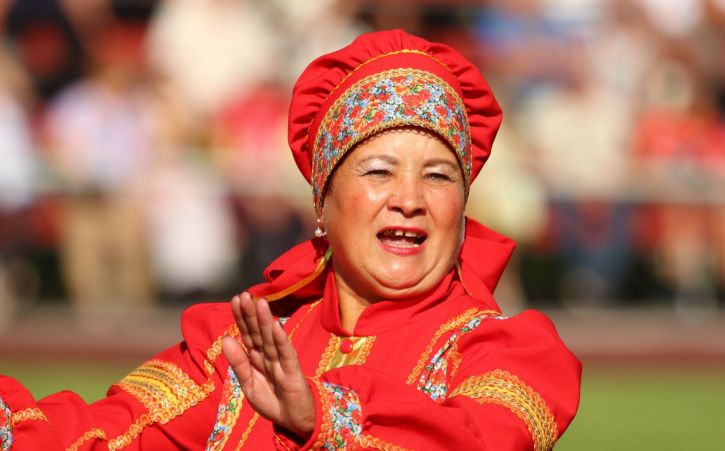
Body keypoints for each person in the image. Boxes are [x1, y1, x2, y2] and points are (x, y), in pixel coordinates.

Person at [0, 30, 581, 450]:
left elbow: (483, 439)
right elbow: (104, 433)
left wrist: (323, 416)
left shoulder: (508, 354)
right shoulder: (240, 346)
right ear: (321, 202)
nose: (410, 198)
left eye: (439, 176)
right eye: (379, 171)